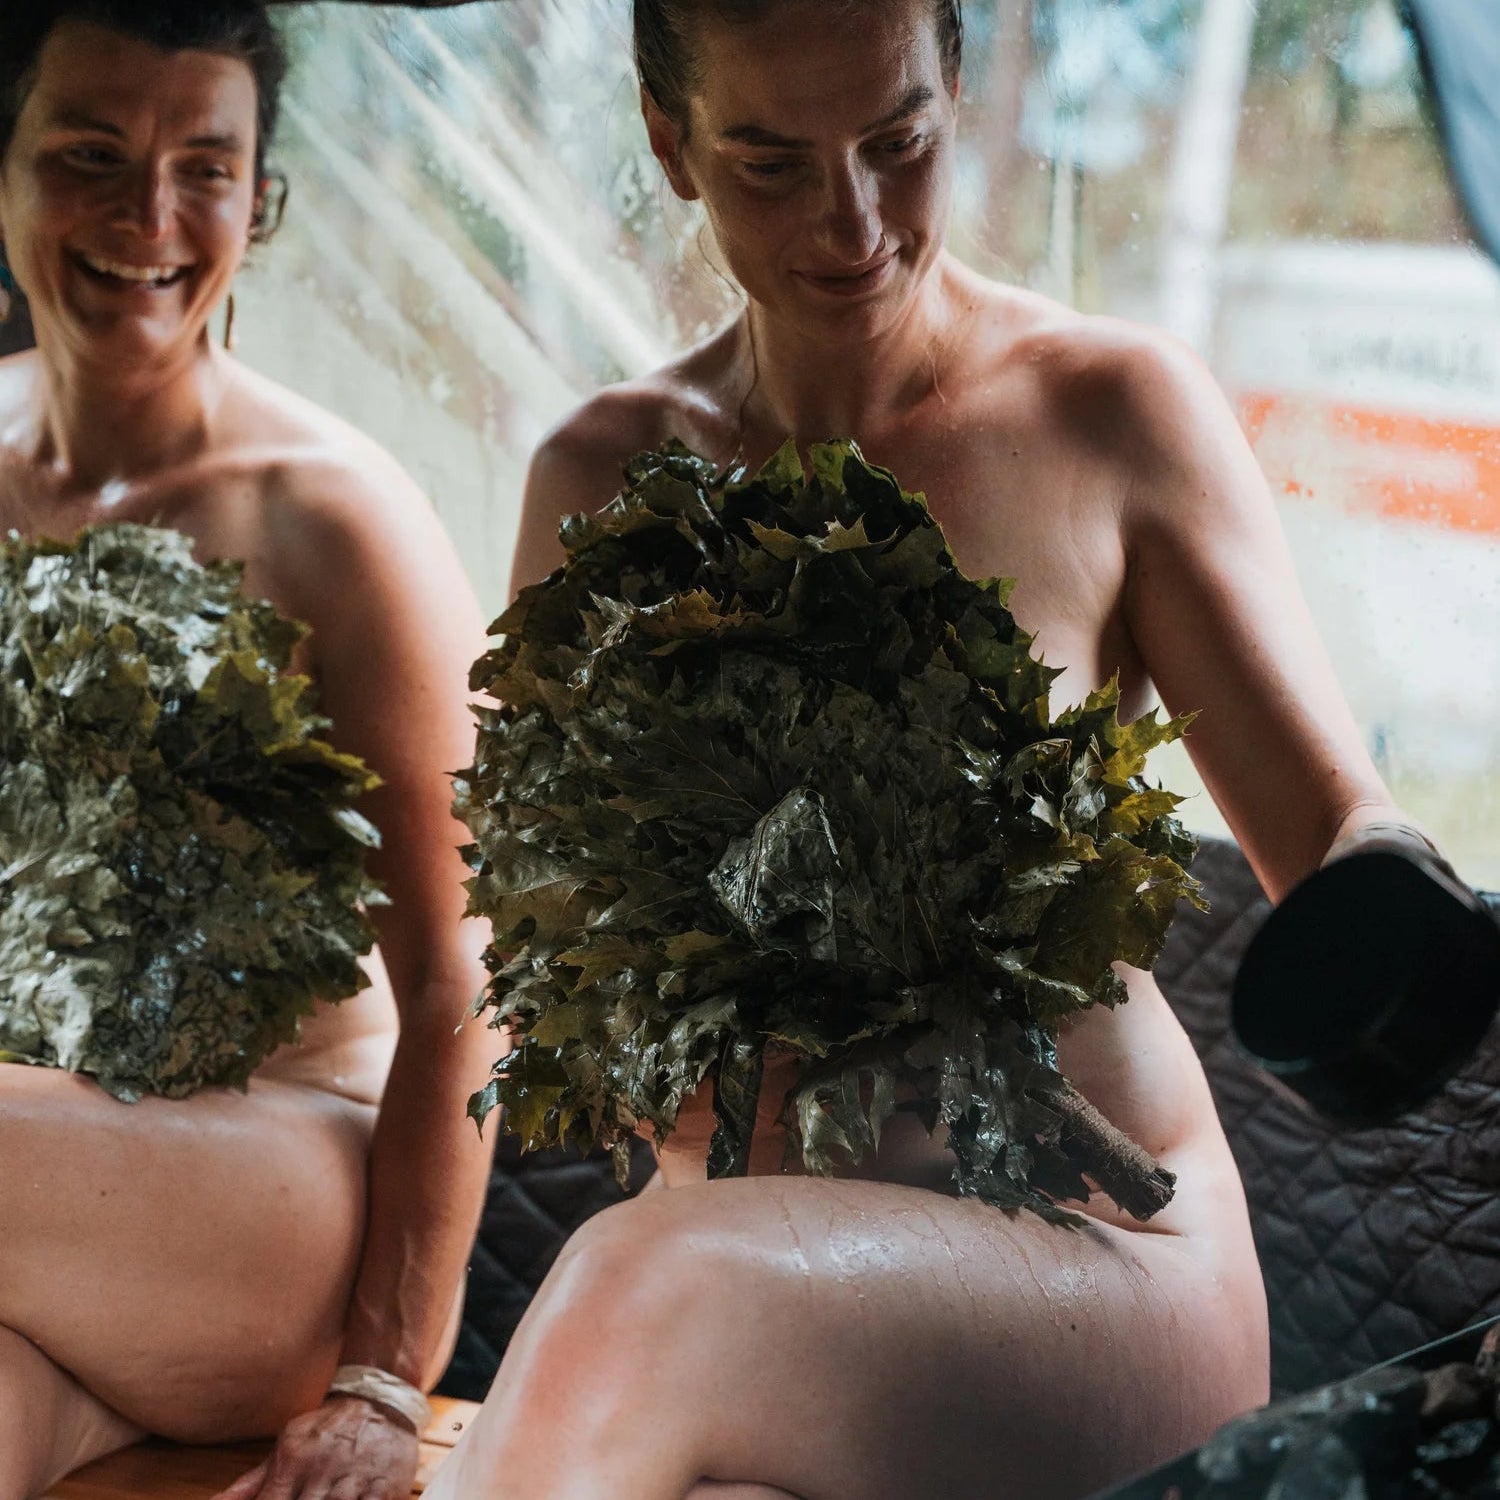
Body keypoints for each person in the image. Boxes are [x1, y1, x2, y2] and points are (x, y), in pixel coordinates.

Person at [423, 2, 1434, 1498]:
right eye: (771, 165)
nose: (852, 223)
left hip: (1094, 1261)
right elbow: (553, 964)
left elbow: (1340, 828)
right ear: (669, 141)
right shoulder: (599, 478)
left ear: (957, 89)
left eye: (900, 145)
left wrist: (1418, 922)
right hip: (759, 1281)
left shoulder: (1105, 413)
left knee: (638, 1284)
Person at [0, 5, 494, 1498]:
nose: (149, 217)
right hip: (46, 1201)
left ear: (259, 201)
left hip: (276, 1195)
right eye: (92, 155)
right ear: (6, 172)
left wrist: (383, 1386)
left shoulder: (336, 524)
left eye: (204, 166)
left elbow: (463, 987)